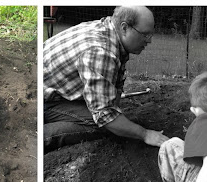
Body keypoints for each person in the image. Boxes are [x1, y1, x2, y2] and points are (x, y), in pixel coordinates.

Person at [44, 6, 169, 152]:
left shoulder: (107, 30)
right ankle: (43, 136)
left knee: (114, 119)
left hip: (49, 86)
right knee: (104, 125)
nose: (149, 41)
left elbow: (113, 89)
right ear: (124, 28)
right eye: (145, 35)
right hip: (43, 101)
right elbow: (105, 116)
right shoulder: (101, 52)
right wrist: (145, 134)